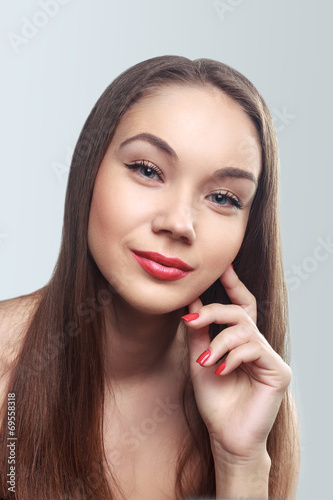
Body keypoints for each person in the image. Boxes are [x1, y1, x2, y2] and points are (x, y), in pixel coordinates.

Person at [0, 55, 300, 499]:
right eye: (147, 170)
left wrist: (241, 462)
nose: (179, 223)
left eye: (222, 197)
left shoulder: (254, 395)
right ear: (90, 172)